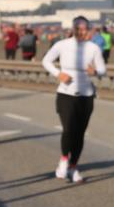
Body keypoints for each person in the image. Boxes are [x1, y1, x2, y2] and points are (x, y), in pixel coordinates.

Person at [42, 17, 106, 183]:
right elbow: (46, 60)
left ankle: (73, 167)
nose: (81, 32)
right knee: (68, 129)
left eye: (84, 29)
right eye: (78, 28)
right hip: (66, 94)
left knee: (79, 133)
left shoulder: (93, 48)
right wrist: (58, 74)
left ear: (89, 30)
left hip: (86, 95)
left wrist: (95, 72)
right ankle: (64, 160)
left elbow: (102, 69)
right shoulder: (63, 45)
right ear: (73, 29)